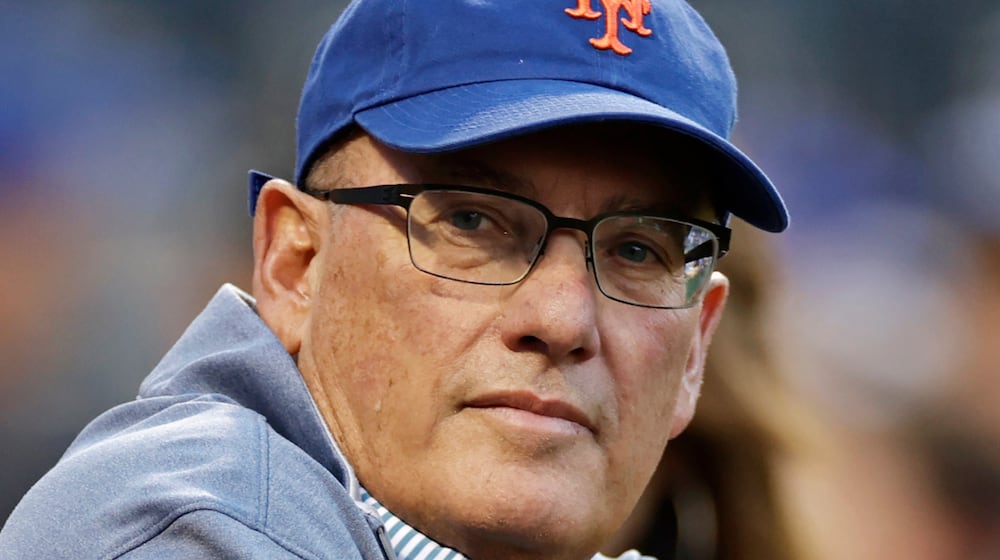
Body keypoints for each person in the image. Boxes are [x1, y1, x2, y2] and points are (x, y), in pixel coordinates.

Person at [0, 0, 788, 558]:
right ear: (295, 263)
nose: (562, 317)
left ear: (696, 354)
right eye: (473, 222)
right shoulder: (188, 532)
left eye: (638, 250)